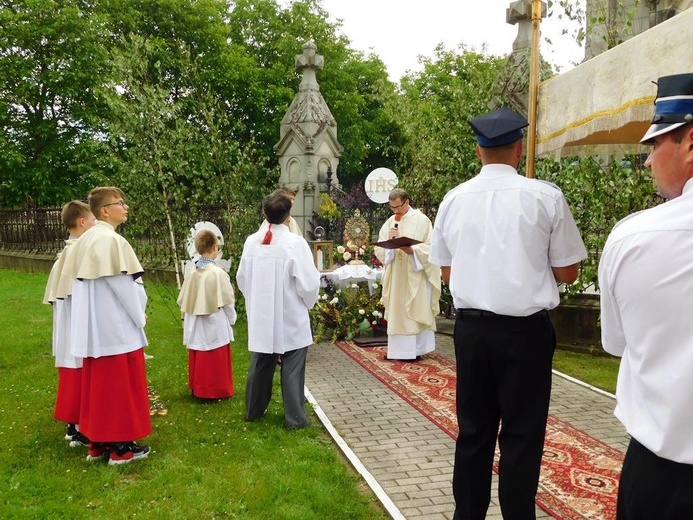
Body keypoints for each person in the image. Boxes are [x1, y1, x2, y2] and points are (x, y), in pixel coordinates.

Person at [429, 106, 587, 520]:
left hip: (473, 331)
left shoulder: (453, 199)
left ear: (479, 150)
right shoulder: (545, 196)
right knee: (522, 434)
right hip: (525, 335)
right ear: (519, 148)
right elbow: (568, 271)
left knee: (474, 433)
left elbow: (447, 272)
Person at [598, 73, 693, 519]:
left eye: (655, 145)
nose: (649, 162)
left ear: (690, 143)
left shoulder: (635, 237)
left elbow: (617, 344)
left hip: (665, 473)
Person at [66, 187, 152, 465]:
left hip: (95, 327)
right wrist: (139, 314)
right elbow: (124, 287)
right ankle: (121, 447)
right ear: (104, 210)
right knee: (118, 386)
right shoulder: (110, 241)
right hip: (115, 326)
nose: (125, 207)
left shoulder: (87, 238)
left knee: (99, 387)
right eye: (120, 203)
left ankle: (98, 442)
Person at [236, 189, 320, 429]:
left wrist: (256, 299)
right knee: (293, 366)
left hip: (263, 314)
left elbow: (242, 278)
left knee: (261, 361)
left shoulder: (252, 241)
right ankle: (295, 418)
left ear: (264, 213)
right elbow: (309, 282)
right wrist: (306, 302)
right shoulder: (295, 243)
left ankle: (254, 410)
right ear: (288, 215)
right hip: (290, 313)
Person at [43, 200, 96, 447]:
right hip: (77, 320)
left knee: (72, 367)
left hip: (68, 320)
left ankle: (74, 425)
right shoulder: (79, 252)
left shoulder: (66, 252)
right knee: (80, 369)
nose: (96, 225)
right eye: (93, 220)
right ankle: (81, 427)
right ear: (82, 222)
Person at [374, 188, 441, 361]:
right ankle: (398, 352)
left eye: (398, 207)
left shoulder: (422, 220)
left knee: (414, 309)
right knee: (398, 311)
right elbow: (380, 249)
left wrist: (413, 251)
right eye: (392, 208)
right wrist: (390, 242)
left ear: (407, 202)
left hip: (414, 274)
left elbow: (431, 247)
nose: (396, 211)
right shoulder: (390, 222)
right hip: (397, 275)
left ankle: (416, 350)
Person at [177, 229, 236, 400]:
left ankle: (199, 388)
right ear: (216, 247)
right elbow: (227, 300)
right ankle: (216, 389)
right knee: (214, 354)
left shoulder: (192, 272)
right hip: (214, 320)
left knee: (200, 351)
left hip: (196, 321)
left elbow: (186, 301)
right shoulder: (218, 273)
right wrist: (231, 318)